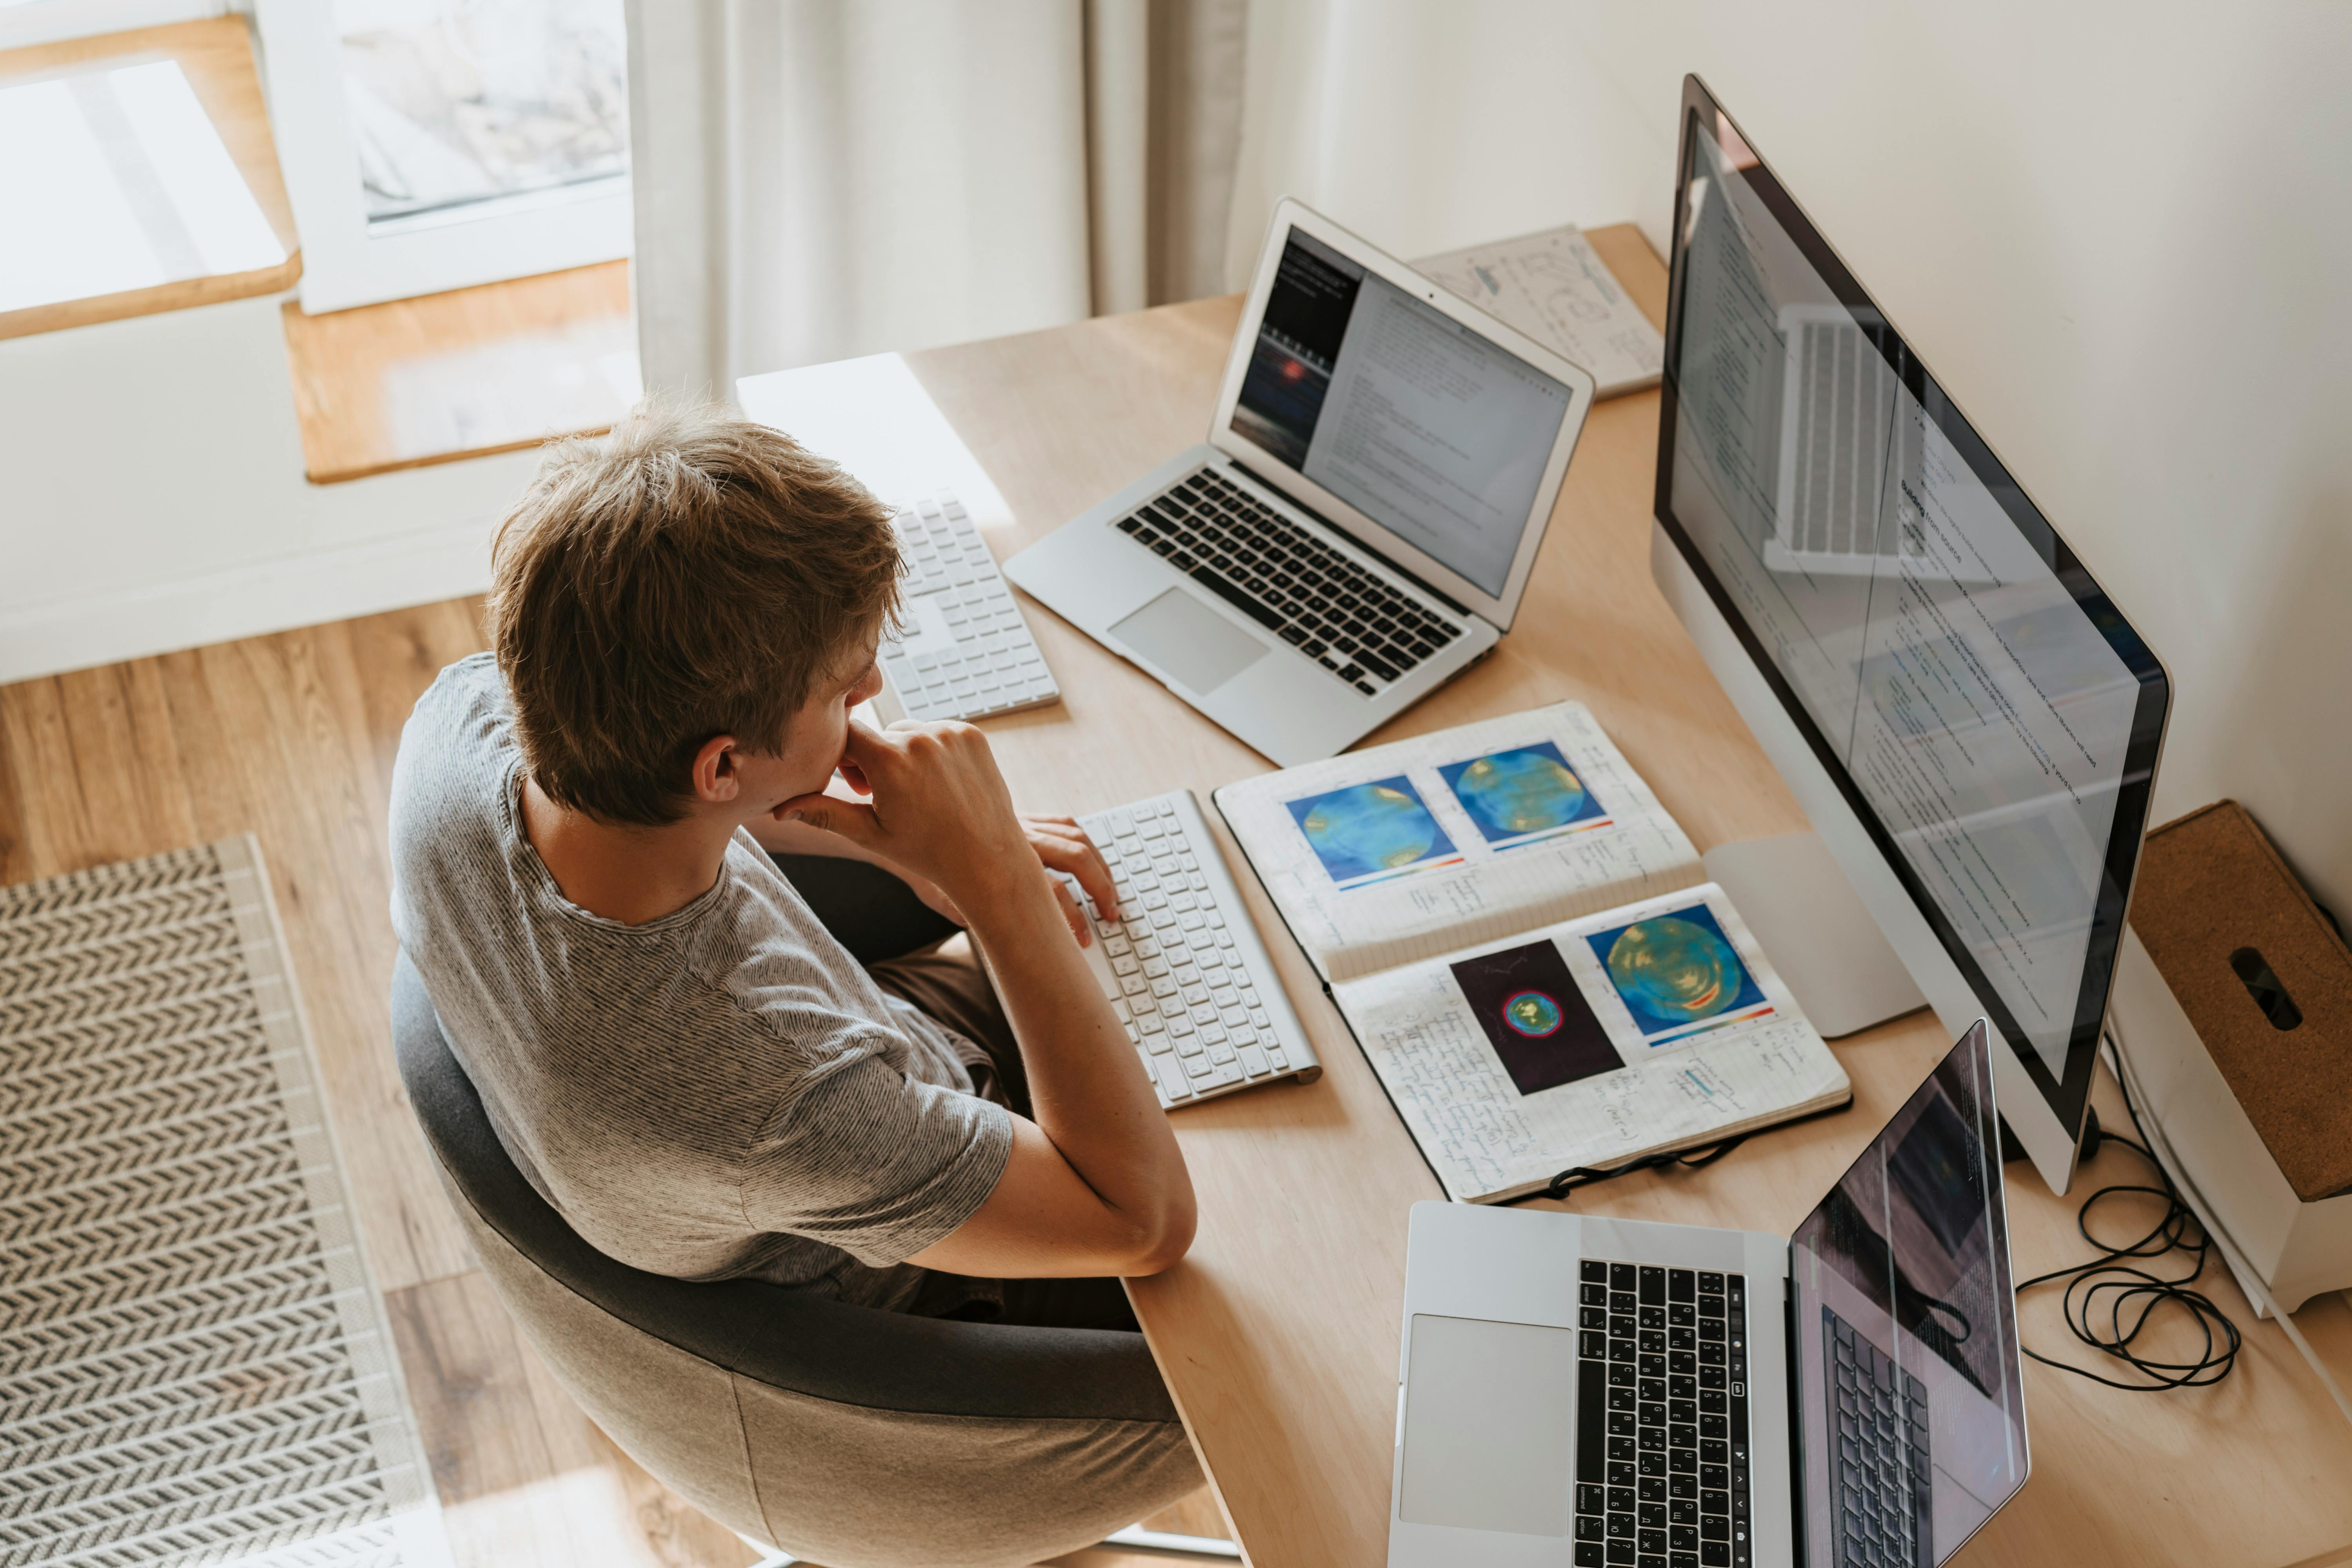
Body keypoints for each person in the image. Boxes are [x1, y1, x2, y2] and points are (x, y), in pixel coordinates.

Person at [387, 400, 1201, 1541]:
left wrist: (928, 842)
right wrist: (998, 893)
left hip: (840, 1076)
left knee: (1185, 938)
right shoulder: (773, 1093)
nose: (872, 703)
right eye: (848, 690)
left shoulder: (463, 723)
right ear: (721, 764)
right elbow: (1141, 1222)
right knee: (1318, 1191)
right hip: (943, 1278)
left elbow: (680, 802)